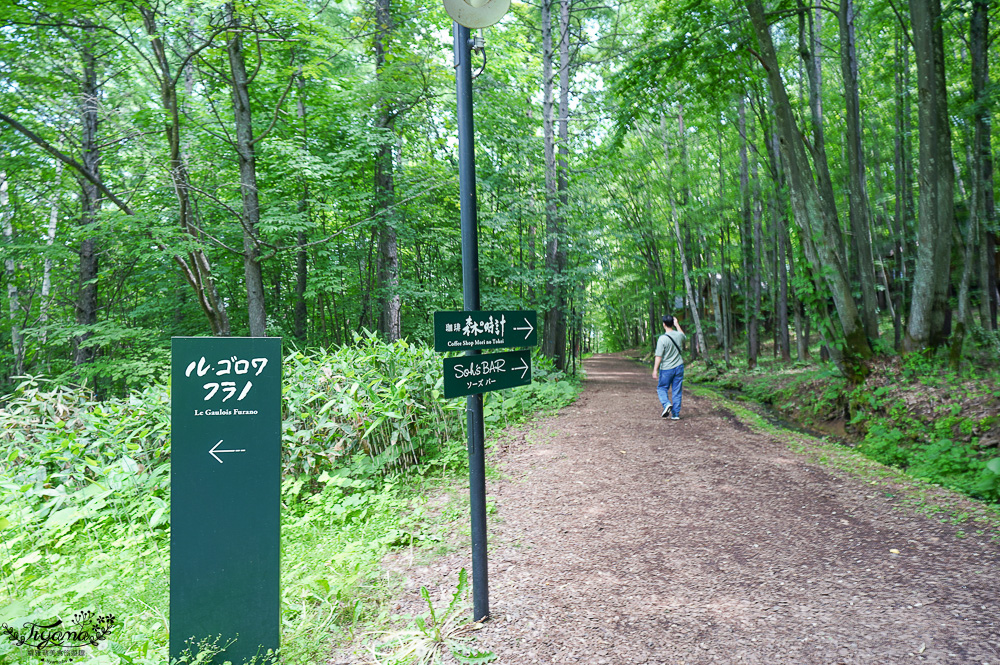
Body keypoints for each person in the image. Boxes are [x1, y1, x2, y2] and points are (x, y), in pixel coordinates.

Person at [652, 315, 686, 420]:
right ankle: (675, 415)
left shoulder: (662, 339)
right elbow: (683, 336)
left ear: (664, 324)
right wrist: (677, 325)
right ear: (672, 323)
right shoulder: (679, 335)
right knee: (676, 390)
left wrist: (655, 370)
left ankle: (666, 404)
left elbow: (659, 356)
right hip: (679, 366)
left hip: (666, 368)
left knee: (662, 388)